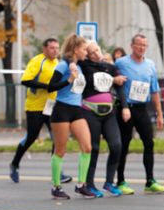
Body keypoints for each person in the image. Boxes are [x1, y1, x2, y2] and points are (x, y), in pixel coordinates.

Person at [9, 38, 72, 184]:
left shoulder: (58, 63)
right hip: (35, 106)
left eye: (57, 48)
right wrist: (47, 86)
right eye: (52, 48)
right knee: (32, 137)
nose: (55, 50)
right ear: (44, 49)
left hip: (51, 106)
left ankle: (58, 172)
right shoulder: (38, 61)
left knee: (57, 139)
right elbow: (26, 80)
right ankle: (15, 164)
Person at [114, 34, 164, 195]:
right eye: (139, 45)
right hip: (126, 108)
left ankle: (150, 180)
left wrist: (160, 114)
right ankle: (120, 181)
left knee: (149, 143)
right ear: (132, 45)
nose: (141, 48)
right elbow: (112, 79)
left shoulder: (150, 65)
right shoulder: (121, 63)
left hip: (141, 108)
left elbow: (155, 91)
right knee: (124, 144)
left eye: (144, 45)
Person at [46, 34, 95, 199]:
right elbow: (50, 87)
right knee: (60, 150)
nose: (86, 53)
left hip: (77, 109)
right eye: (83, 49)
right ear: (75, 49)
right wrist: (68, 80)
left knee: (87, 147)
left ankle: (81, 185)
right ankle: (56, 187)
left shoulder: (80, 66)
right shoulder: (63, 65)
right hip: (62, 110)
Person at [78, 41, 129, 197]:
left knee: (117, 145)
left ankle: (109, 182)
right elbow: (93, 79)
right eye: (91, 52)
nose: (96, 54)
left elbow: (120, 87)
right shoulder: (84, 66)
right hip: (90, 112)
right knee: (94, 148)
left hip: (109, 112)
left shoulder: (110, 67)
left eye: (97, 50)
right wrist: (114, 79)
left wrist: (125, 107)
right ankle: (90, 184)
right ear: (87, 54)